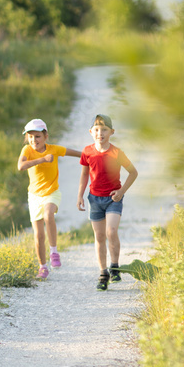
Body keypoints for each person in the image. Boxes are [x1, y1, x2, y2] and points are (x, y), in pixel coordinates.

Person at [76, 114, 138, 291]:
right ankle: (103, 273)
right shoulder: (87, 151)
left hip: (113, 198)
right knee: (100, 236)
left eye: (104, 130)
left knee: (111, 231)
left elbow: (133, 172)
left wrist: (121, 191)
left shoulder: (116, 152)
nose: (100, 133)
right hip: (94, 199)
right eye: (96, 130)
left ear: (111, 132)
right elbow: (84, 175)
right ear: (91, 132)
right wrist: (80, 195)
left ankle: (115, 266)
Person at [16, 118, 81, 280]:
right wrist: (42, 160)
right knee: (38, 236)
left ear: (46, 136)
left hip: (52, 192)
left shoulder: (54, 149)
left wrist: (94, 156)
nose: (33, 140)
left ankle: (54, 252)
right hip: (34, 196)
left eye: (37, 136)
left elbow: (78, 154)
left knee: (48, 214)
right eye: (30, 136)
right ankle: (43, 266)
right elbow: (21, 166)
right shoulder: (27, 150)